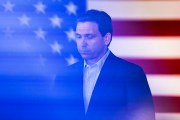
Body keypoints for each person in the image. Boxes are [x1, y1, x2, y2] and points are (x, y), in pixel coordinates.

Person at [55, 9, 155, 120]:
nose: (82, 43)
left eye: (89, 37)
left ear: (106, 38)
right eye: (79, 36)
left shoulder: (131, 73)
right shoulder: (63, 75)